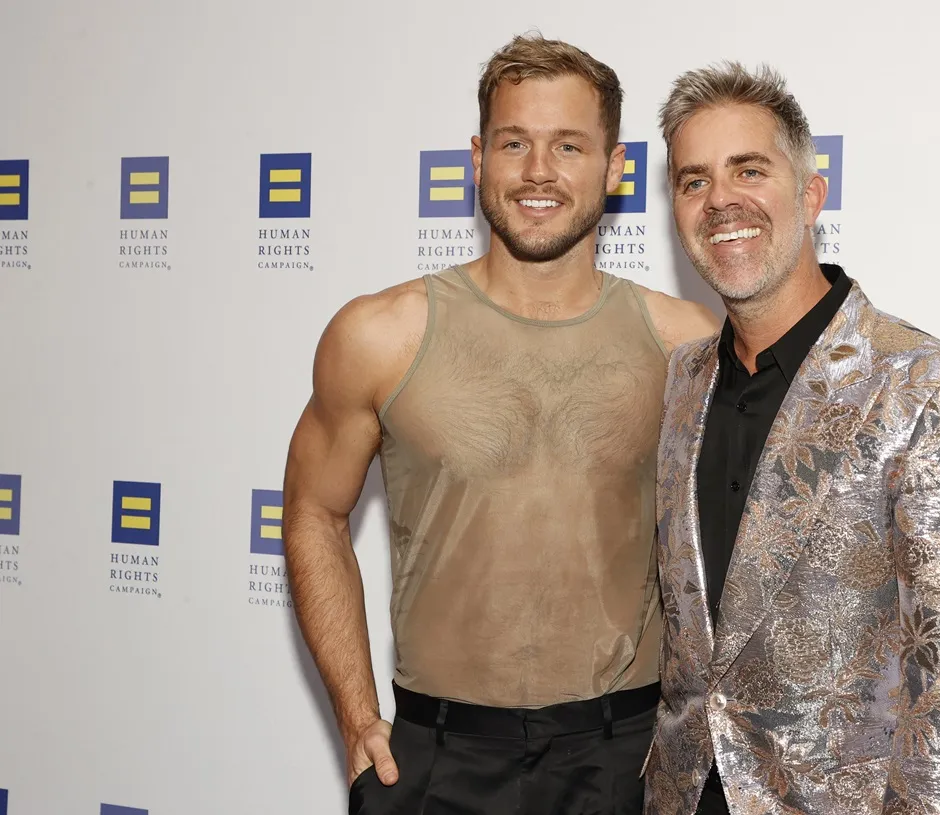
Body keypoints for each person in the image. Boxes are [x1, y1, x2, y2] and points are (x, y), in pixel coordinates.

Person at [280, 34, 719, 815]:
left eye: (569, 146)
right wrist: (354, 718)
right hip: (432, 761)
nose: (539, 172)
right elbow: (314, 510)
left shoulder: (684, 343)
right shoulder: (379, 334)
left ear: (614, 166)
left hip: (622, 762)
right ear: (478, 157)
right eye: (515, 143)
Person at [644, 62, 940, 815]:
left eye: (748, 169)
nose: (721, 199)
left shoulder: (933, 389)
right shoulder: (682, 380)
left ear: (811, 195)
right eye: (694, 180)